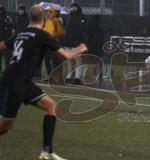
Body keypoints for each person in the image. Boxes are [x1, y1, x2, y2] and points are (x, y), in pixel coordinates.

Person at [0, 5, 87, 160]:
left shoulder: (21, 34)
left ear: (28, 18)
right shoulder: (42, 35)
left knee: (51, 106)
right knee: (5, 127)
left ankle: (46, 151)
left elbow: (3, 45)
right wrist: (80, 49)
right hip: (12, 84)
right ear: (45, 18)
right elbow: (65, 55)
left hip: (23, 82)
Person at [64, 2, 88, 85]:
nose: (73, 8)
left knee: (78, 59)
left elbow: (81, 30)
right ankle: (69, 76)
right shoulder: (69, 16)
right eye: (72, 7)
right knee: (69, 59)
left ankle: (77, 77)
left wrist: (75, 37)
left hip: (76, 41)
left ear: (77, 8)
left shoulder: (81, 17)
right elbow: (66, 29)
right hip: (68, 41)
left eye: (74, 7)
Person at [0, 4, 14, 74]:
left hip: (6, 41)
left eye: (1, 10)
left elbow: (11, 25)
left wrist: (4, 23)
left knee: (7, 57)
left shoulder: (7, 18)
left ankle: (8, 70)